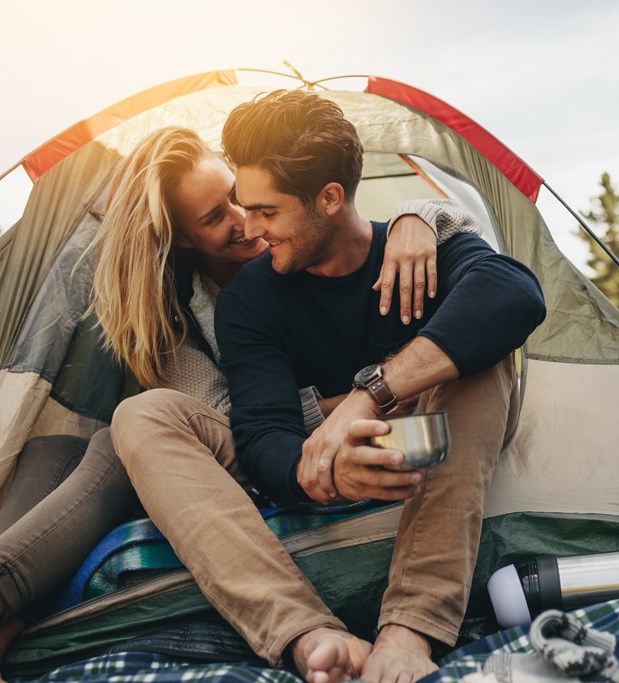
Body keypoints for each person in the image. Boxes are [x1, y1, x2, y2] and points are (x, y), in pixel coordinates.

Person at [0, 125, 476, 681]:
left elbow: (354, 221)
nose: (244, 220)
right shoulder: (176, 315)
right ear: (182, 239)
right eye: (213, 217)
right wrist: (360, 398)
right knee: (59, 449)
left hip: (333, 426)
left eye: (237, 194)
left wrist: (418, 214)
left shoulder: (307, 240)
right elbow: (237, 419)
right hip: (258, 443)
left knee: (111, 443)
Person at [209, 89, 546, 683]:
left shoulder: (416, 249)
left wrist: (372, 393)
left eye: (267, 211)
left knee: (480, 354)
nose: (251, 229)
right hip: (345, 464)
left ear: (330, 198)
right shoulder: (249, 300)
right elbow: (262, 435)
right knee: (146, 414)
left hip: (440, 438)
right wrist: (323, 471)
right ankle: (311, 634)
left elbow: (516, 294)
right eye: (245, 207)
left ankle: (411, 631)